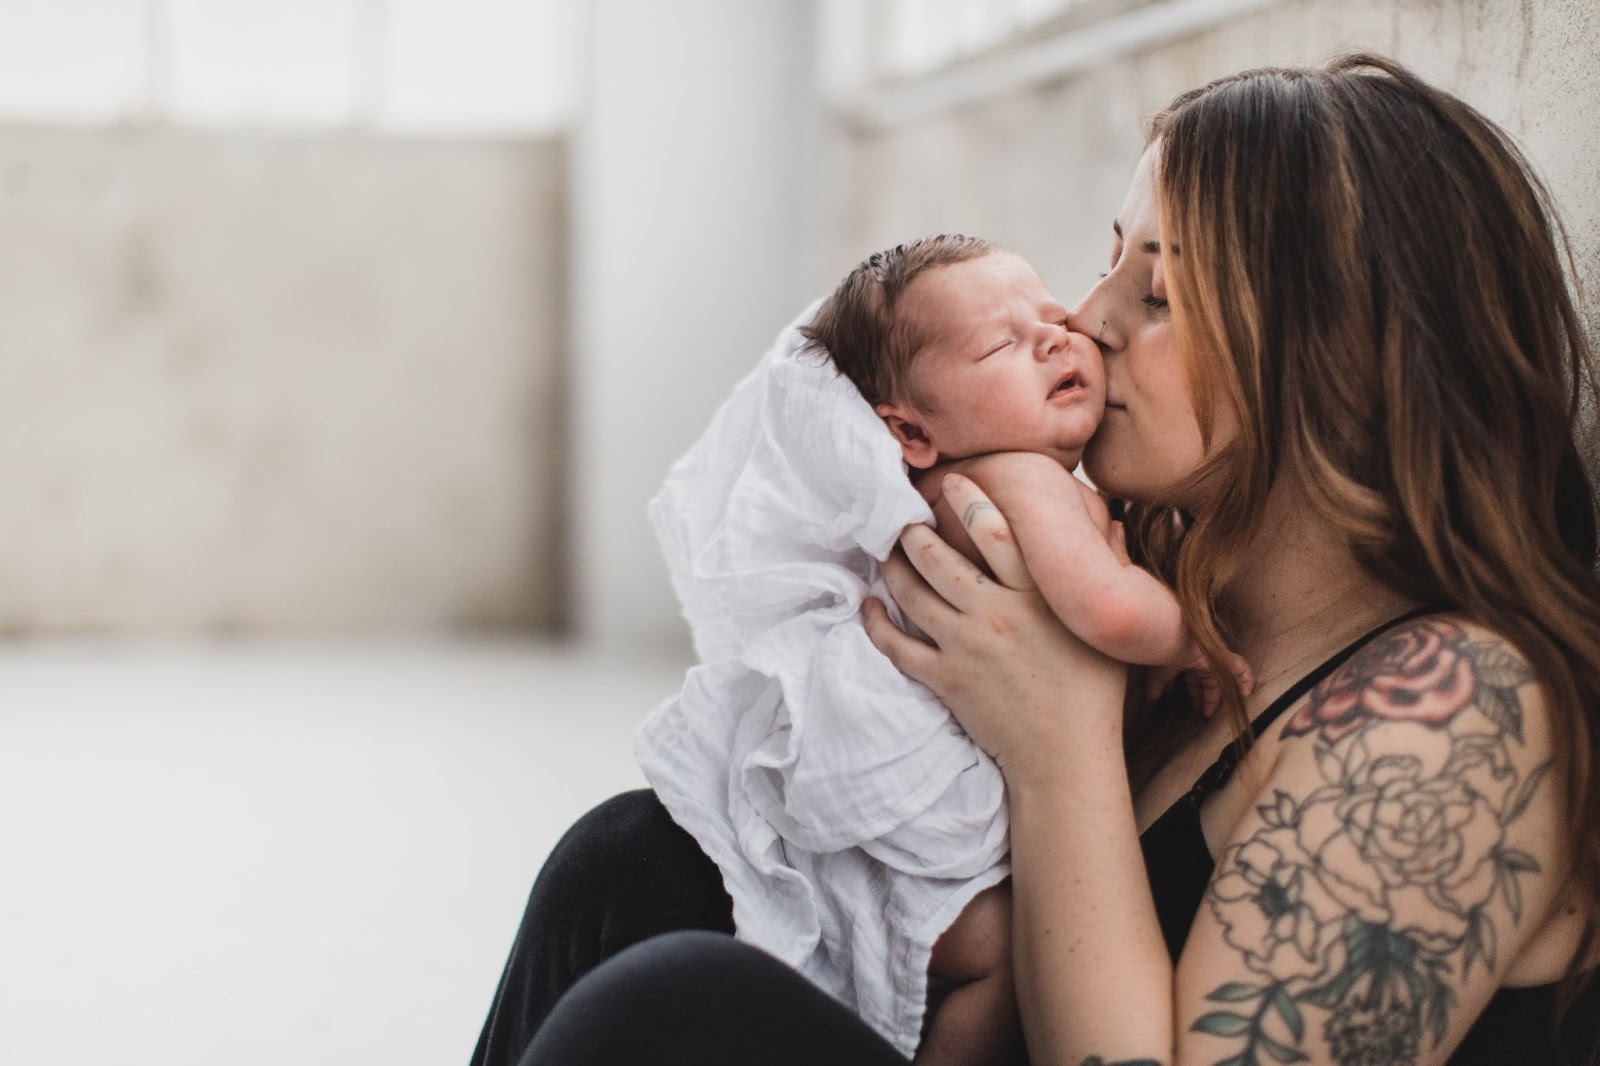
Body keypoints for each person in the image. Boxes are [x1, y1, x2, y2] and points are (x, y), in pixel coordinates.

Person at [471, 53, 1600, 1066]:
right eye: (1111, 260)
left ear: (1341, 368)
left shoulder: (1454, 706)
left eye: (1158, 292)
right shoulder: (1191, 609)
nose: (1087, 317)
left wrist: (1055, 744)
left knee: (678, 1006)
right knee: (631, 864)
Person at [632, 234, 1253, 1066]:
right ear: (911, 433)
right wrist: (1197, 641)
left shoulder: (991, 486)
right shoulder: (1013, 482)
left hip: (885, 791)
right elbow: (1109, 611)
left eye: (1047, 317)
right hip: (922, 786)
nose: (1065, 334)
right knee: (993, 964)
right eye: (1004, 344)